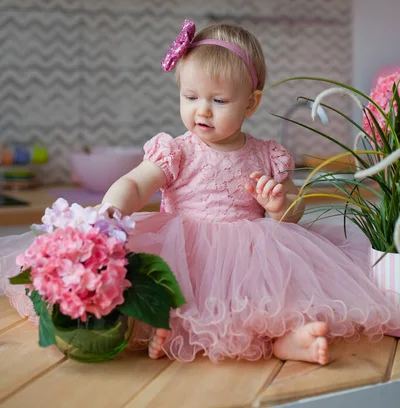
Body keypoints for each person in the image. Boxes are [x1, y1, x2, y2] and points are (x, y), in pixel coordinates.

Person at [98, 19, 399, 364]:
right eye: (190, 96)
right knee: (161, 287)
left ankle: (286, 339)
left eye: (220, 100)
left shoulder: (268, 155)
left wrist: (278, 204)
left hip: (255, 253)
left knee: (273, 297)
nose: (203, 109)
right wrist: (112, 207)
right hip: (188, 249)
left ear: (251, 104)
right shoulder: (177, 150)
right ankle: (163, 326)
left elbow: (293, 208)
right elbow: (136, 184)